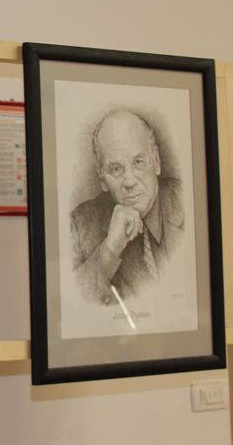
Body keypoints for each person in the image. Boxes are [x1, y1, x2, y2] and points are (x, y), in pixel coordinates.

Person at [70, 109, 184, 305]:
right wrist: (109, 250)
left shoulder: (187, 200)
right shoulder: (80, 225)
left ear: (156, 161)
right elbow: (69, 303)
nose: (129, 181)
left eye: (138, 162)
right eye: (116, 169)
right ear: (102, 178)